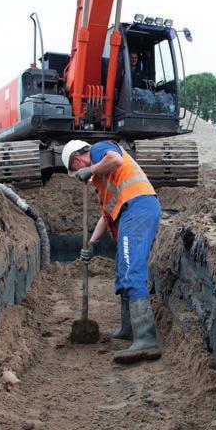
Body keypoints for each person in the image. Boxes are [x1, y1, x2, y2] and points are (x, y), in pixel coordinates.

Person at [61, 138, 162, 364]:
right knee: (121, 269)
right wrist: (92, 244)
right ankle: (129, 328)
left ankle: (146, 339)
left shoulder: (99, 150)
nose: (80, 174)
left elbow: (115, 159)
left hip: (138, 208)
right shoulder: (102, 180)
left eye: (76, 169)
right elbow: (106, 217)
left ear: (77, 160)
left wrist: (90, 168)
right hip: (129, 212)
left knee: (130, 270)